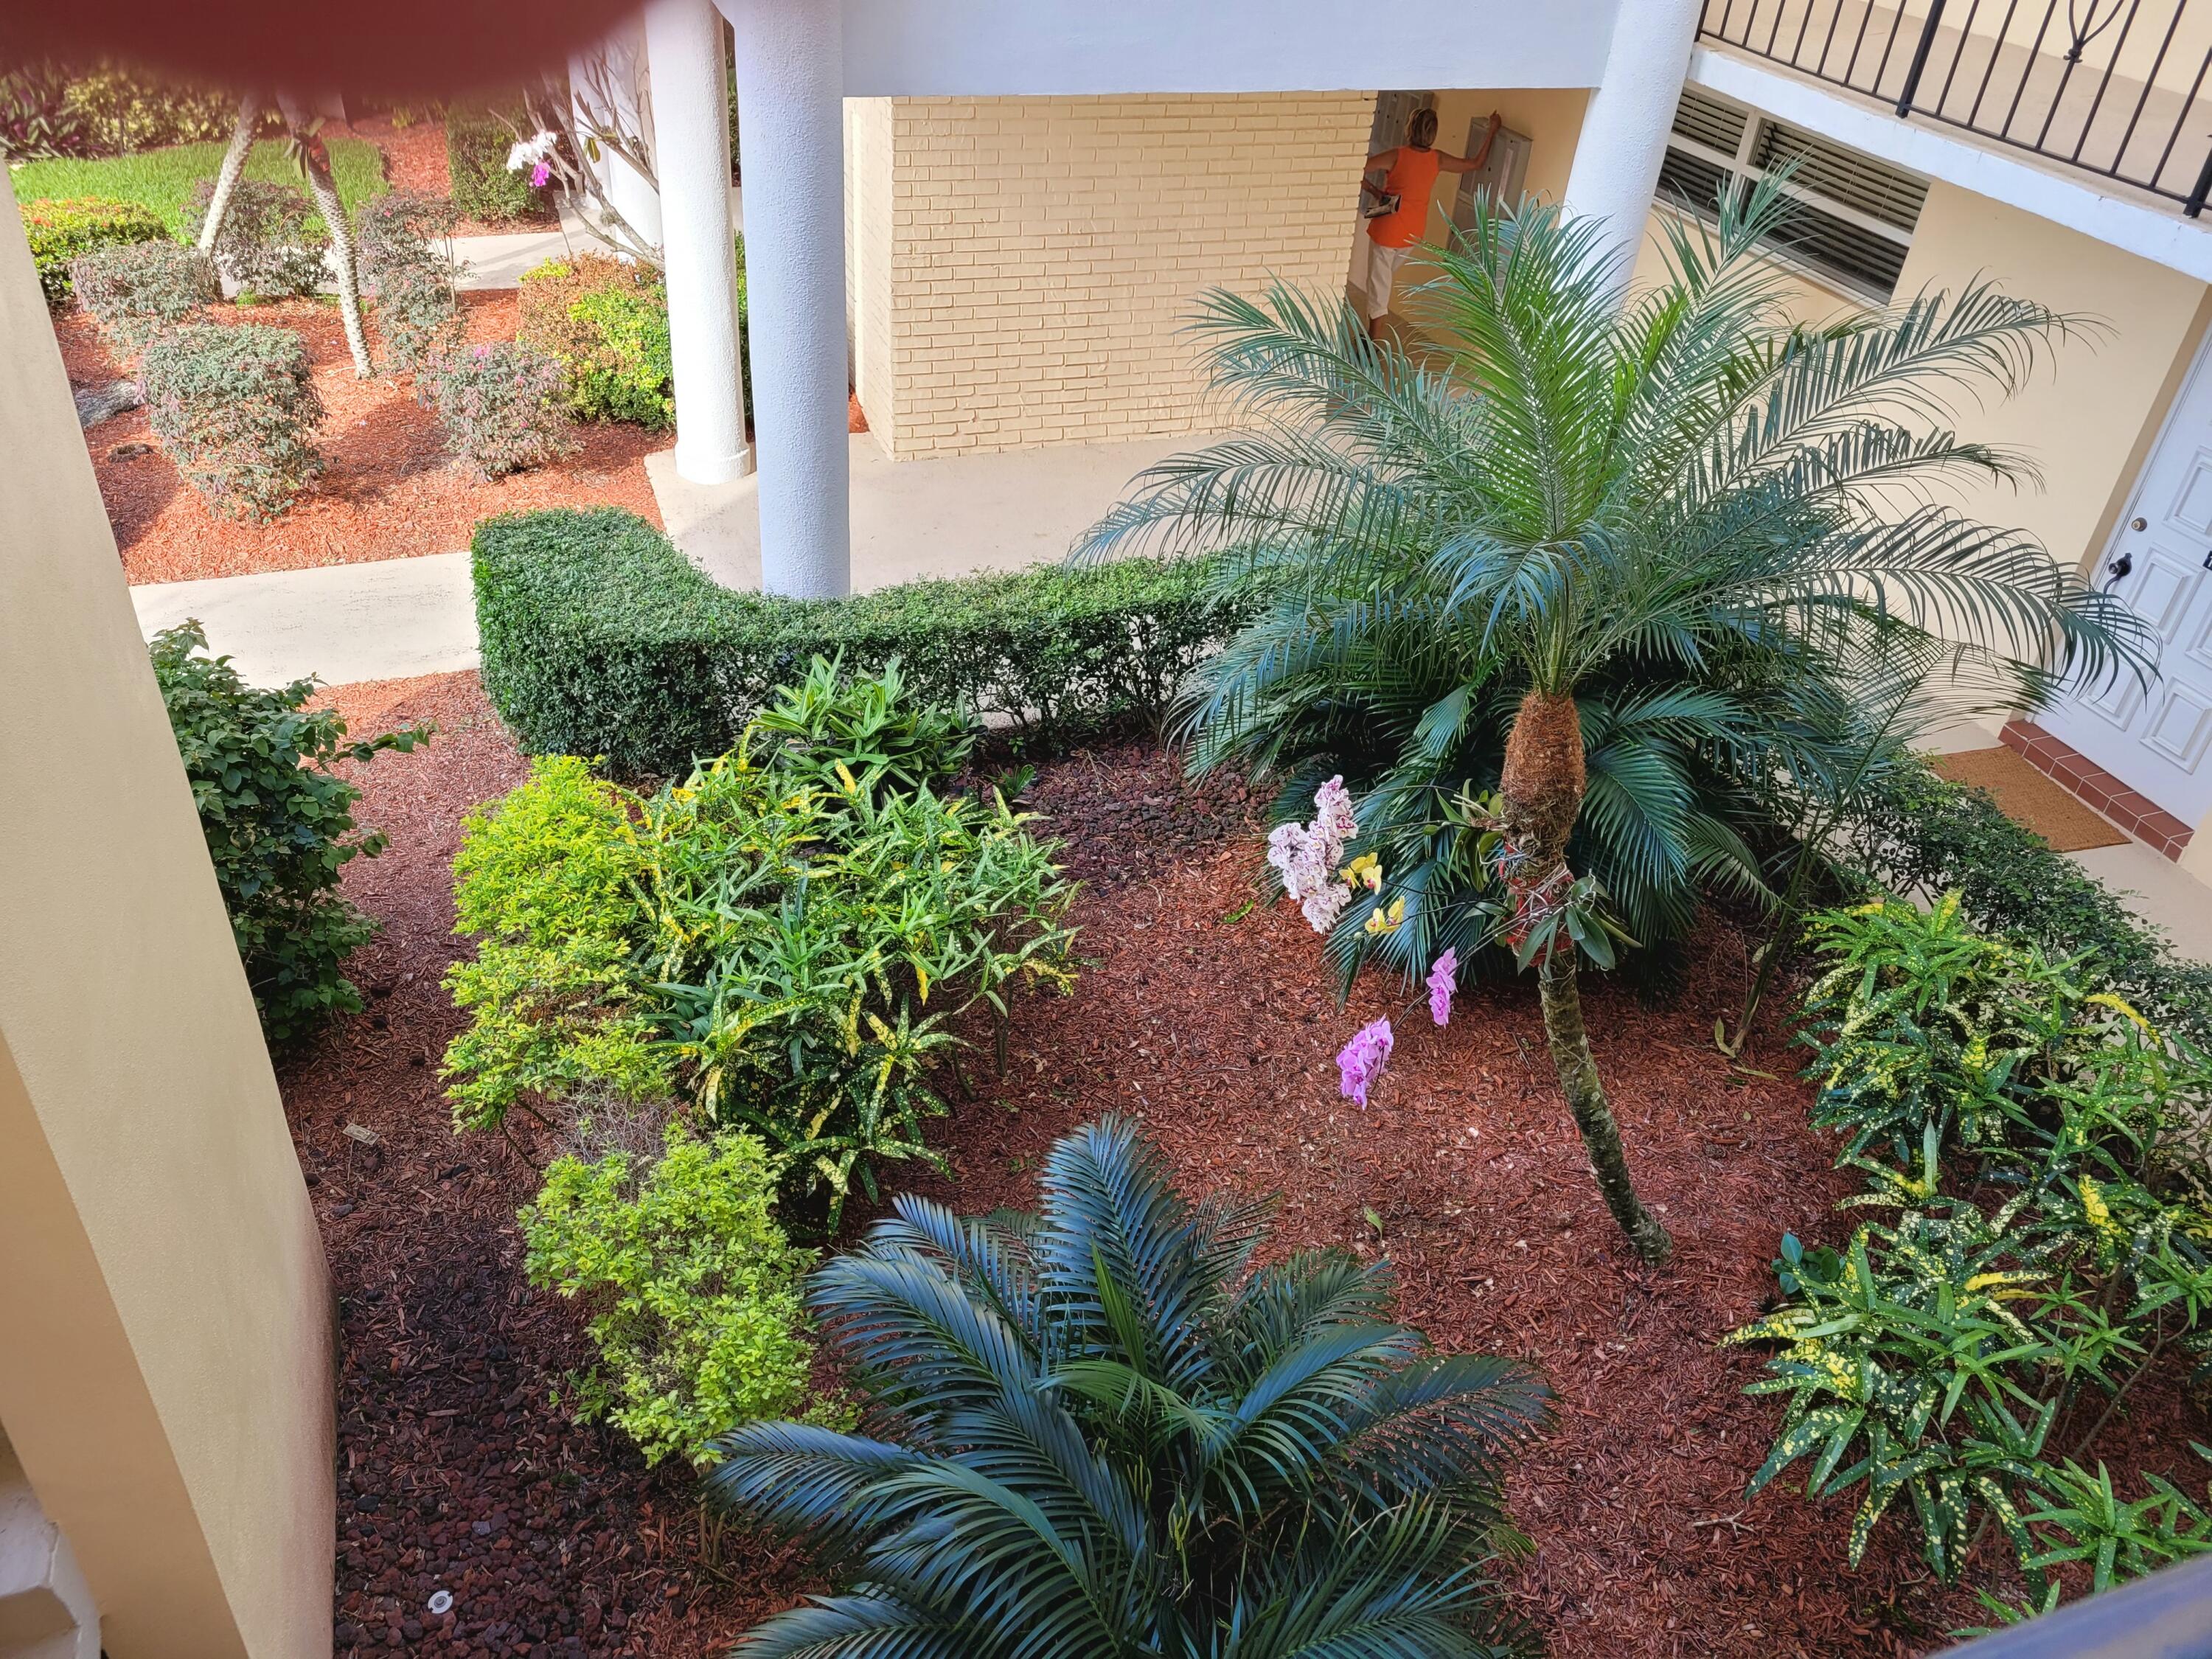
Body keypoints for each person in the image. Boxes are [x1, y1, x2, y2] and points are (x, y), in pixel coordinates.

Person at [1360, 108, 1504, 340]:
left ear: (1410, 128)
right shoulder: (1437, 159)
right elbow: (1475, 164)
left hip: (1387, 227)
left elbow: (1358, 166)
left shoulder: (1396, 155)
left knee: (1379, 288)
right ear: (1433, 134)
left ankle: (1373, 343)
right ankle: (1370, 334)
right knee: (1382, 285)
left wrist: (1374, 191)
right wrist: (1492, 131)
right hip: (1412, 233)